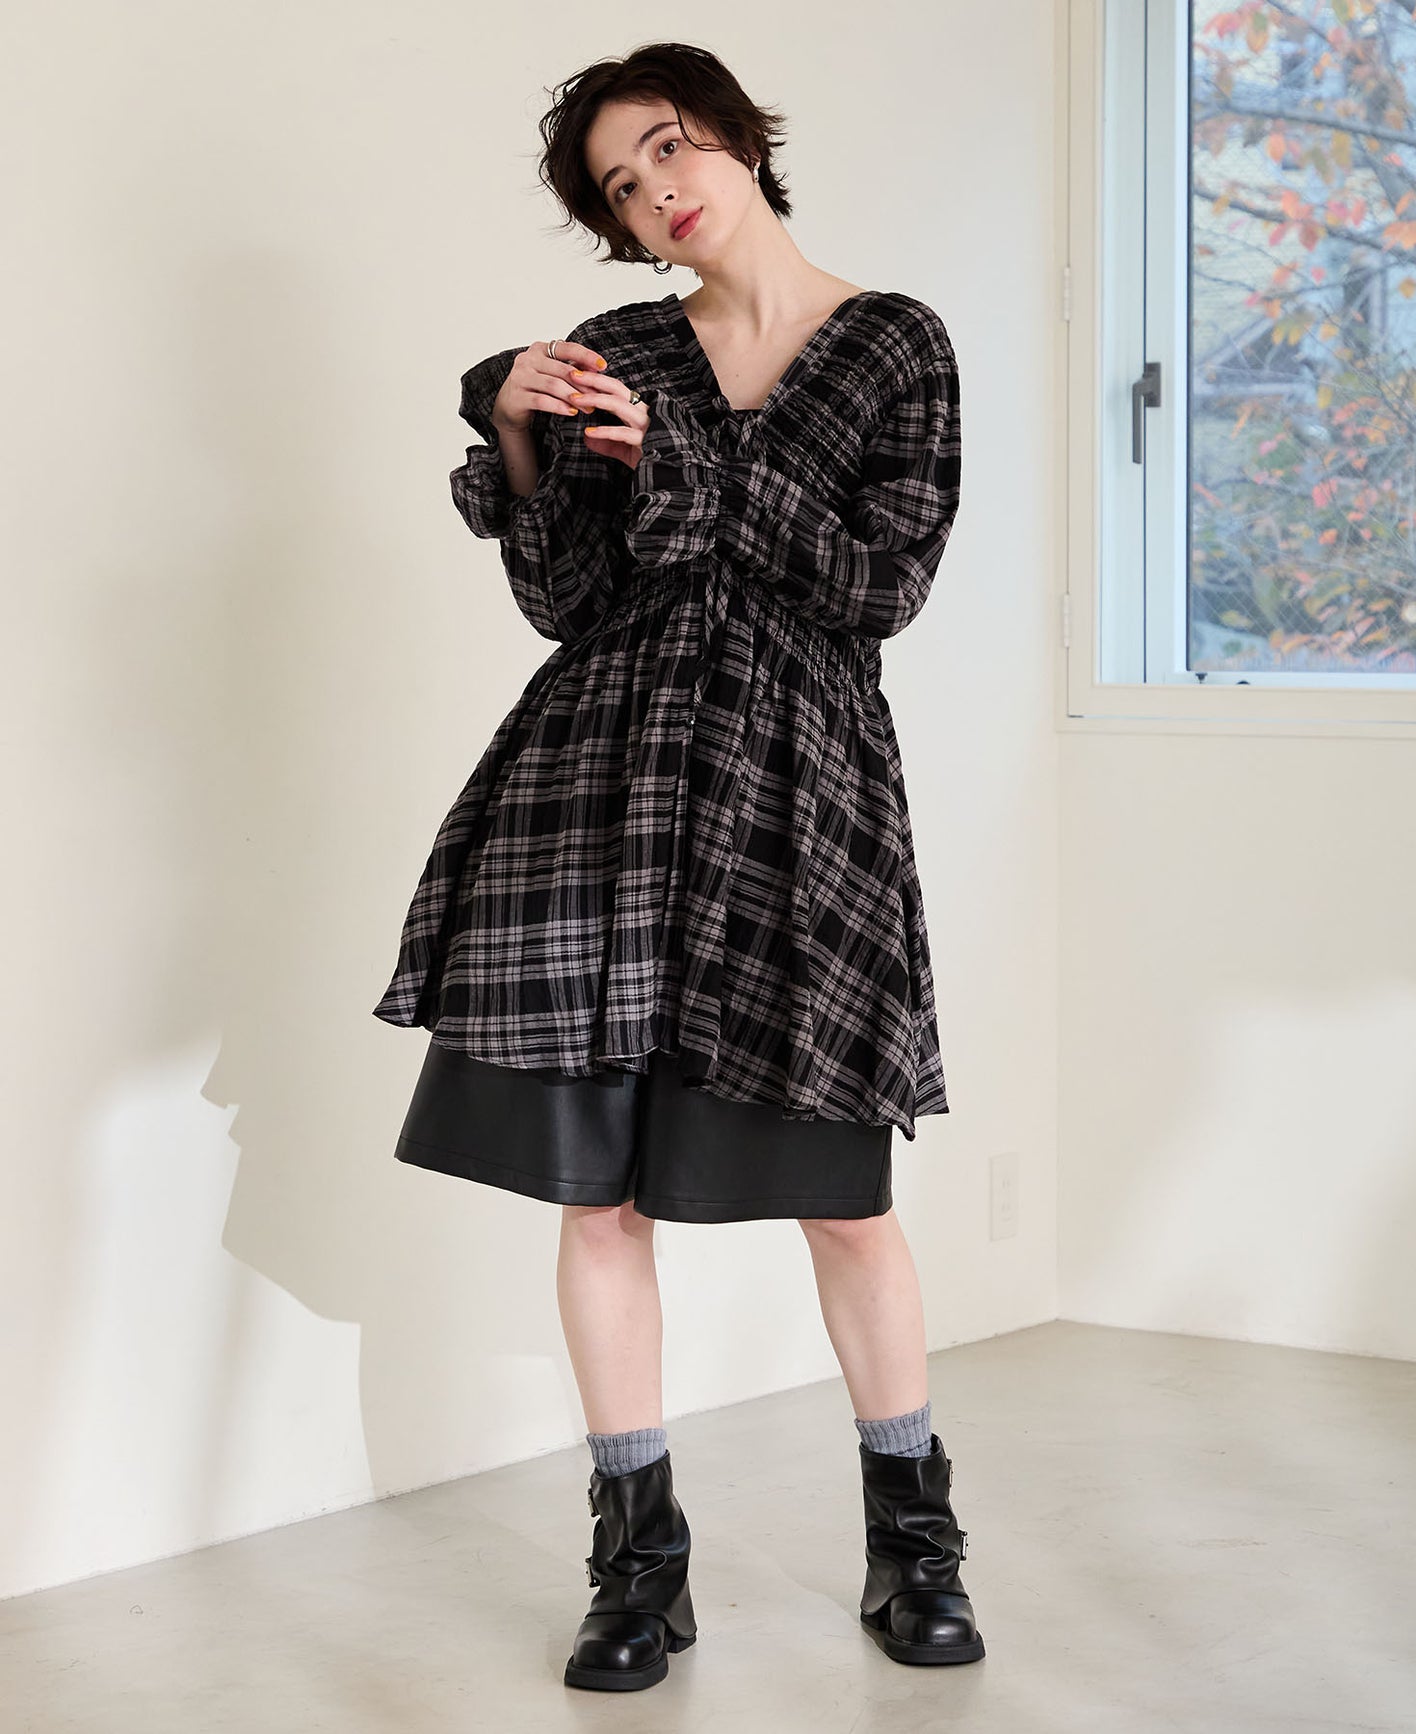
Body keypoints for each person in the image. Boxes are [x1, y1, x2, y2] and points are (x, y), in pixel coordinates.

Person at [372, 40, 984, 1691]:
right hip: (600, 792)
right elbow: (567, 600)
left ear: (734, 136)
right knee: (600, 1198)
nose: (657, 190)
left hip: (799, 800)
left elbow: (877, 585)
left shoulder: (895, 345)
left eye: (667, 146)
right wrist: (520, 440)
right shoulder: (620, 353)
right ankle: (638, 1565)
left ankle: (915, 1543)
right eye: (622, 186)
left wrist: (690, 472)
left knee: (845, 1205)